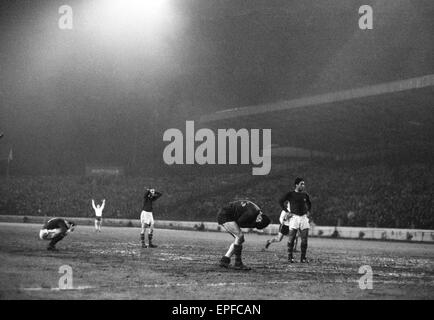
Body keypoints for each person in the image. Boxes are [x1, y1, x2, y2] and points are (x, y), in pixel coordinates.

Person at [217, 200, 271, 270]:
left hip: (226, 213)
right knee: (240, 236)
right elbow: (240, 223)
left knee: (240, 239)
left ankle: (225, 260)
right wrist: (253, 225)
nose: (255, 224)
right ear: (259, 219)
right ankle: (238, 263)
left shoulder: (257, 212)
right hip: (225, 215)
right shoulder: (252, 213)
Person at [279, 177, 312, 263]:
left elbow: (309, 203)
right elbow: (280, 201)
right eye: (301, 184)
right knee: (292, 238)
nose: (303, 186)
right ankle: (290, 257)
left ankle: (303, 258)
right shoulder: (290, 194)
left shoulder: (305, 195)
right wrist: (287, 211)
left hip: (304, 218)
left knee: (304, 239)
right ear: (296, 185)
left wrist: (308, 211)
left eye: (304, 184)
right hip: (294, 218)